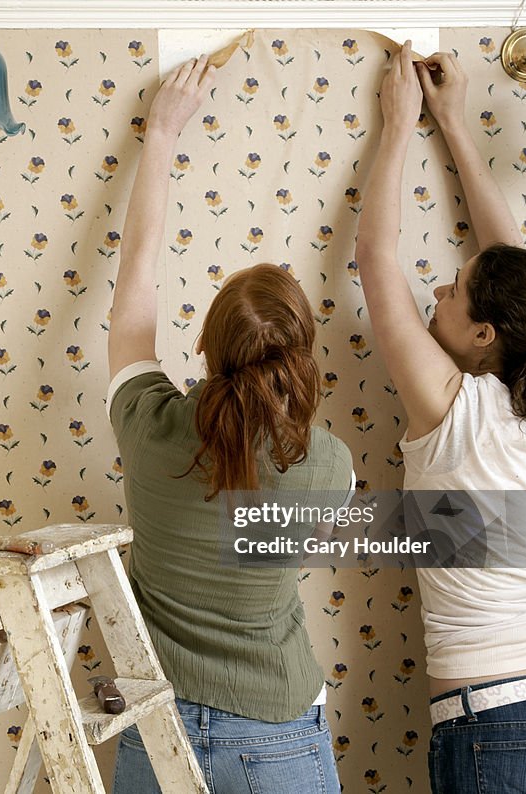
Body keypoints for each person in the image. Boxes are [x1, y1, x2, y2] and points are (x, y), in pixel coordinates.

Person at [356, 42, 526, 794]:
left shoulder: (454, 410)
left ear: (485, 336)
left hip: (507, 725)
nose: (435, 292)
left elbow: (376, 258)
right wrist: (453, 120)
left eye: (449, 291)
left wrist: (398, 124)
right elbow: (516, 270)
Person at [106, 54, 352, 794]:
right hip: (275, 734)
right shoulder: (330, 466)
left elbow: (136, 278)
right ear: (304, 354)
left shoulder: (147, 424)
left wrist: (161, 138)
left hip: (157, 733)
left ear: (206, 345)